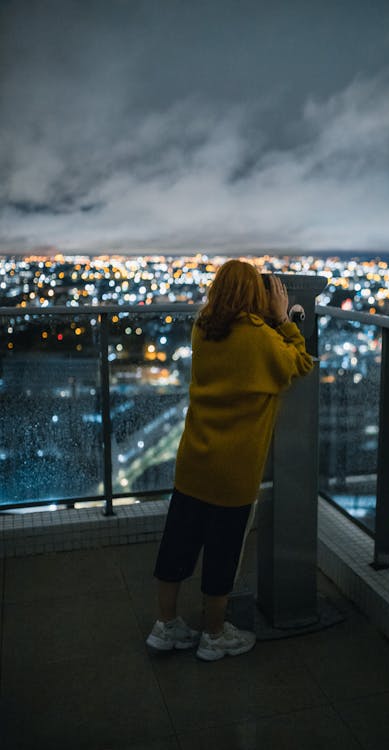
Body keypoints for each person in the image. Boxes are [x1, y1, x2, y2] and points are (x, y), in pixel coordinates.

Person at [146, 259, 313, 661]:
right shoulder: (259, 338)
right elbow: (300, 363)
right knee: (222, 552)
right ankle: (215, 635)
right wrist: (282, 318)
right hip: (234, 469)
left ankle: (165, 627)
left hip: (194, 460)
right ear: (256, 296)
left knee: (178, 545)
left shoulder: (203, 328)